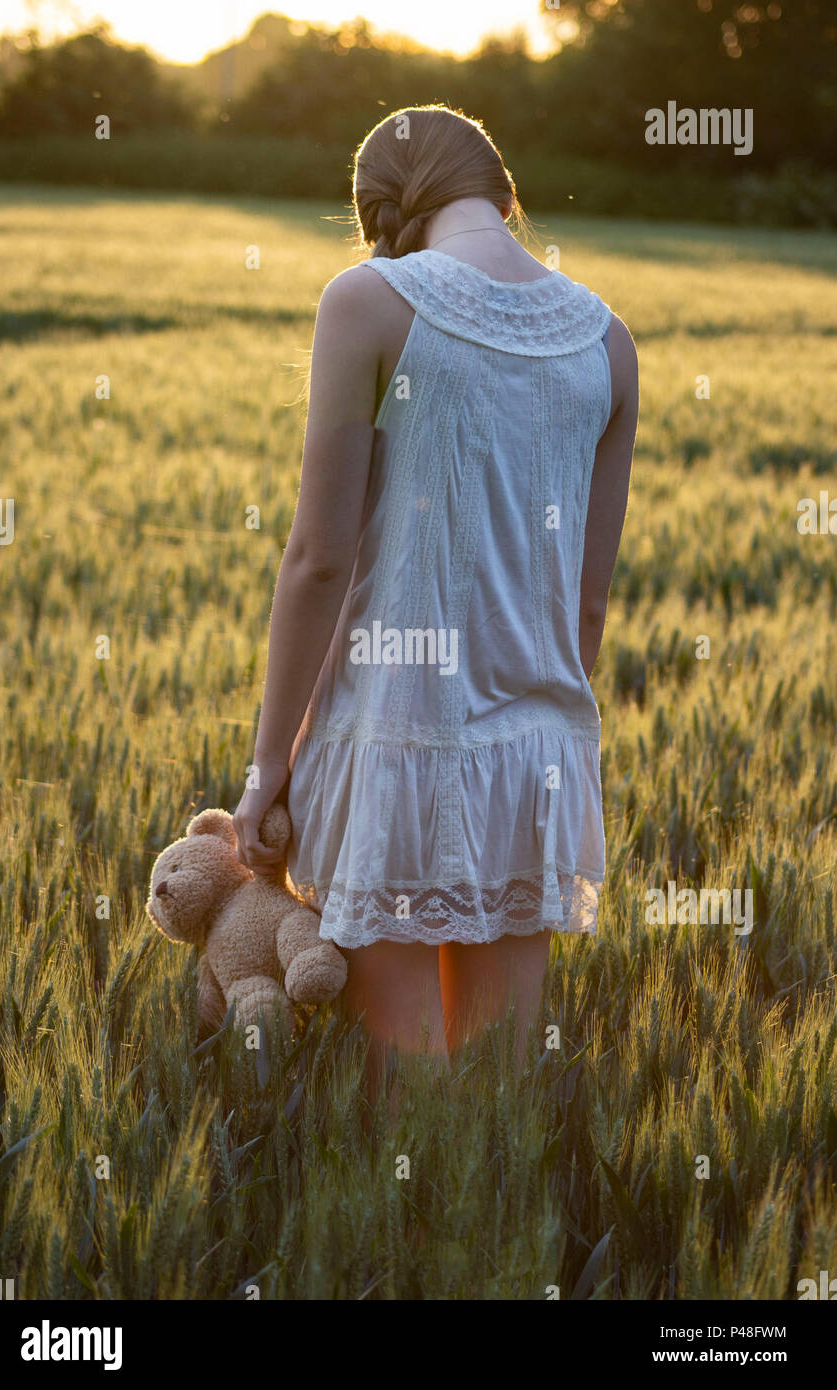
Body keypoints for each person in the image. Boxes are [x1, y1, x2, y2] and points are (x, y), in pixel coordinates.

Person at [232, 105, 638, 1092]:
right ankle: (499, 1240)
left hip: (398, 741)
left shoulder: (367, 298)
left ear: (382, 217)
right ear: (502, 193)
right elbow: (585, 612)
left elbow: (318, 560)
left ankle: (400, 1243)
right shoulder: (608, 342)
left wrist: (264, 768)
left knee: (405, 1089)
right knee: (500, 1094)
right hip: (538, 756)